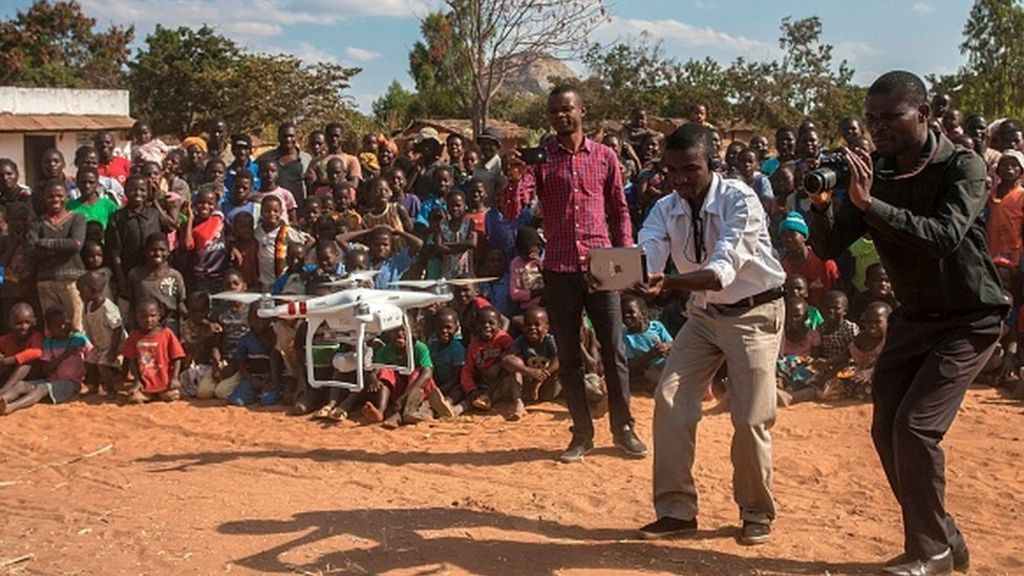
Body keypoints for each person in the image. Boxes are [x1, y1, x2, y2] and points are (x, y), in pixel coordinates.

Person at [808, 70, 1006, 575]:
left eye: (890, 117)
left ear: (923, 113)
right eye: (872, 119)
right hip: (915, 317)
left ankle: (931, 552)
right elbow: (829, 245)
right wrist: (822, 204)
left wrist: (870, 203)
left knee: (915, 428)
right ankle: (944, 538)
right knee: (885, 429)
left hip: (970, 317)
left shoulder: (963, 166)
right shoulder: (876, 170)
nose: (878, 128)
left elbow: (944, 235)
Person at [634, 122, 786, 546]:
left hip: (755, 313)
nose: (680, 179)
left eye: (690, 169)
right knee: (669, 397)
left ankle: (756, 511)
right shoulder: (666, 207)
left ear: (712, 164)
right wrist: (627, 272)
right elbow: (649, 250)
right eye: (672, 171)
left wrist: (666, 283)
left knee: (751, 417)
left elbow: (723, 269)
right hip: (704, 314)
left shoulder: (742, 200)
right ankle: (676, 511)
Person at [504, 85, 646, 462]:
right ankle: (581, 433)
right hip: (560, 268)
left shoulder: (605, 156)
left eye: (566, 110)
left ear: (582, 111)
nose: (560, 117)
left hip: (601, 264)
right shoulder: (540, 160)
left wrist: (626, 253)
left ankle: (624, 428)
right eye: (553, 112)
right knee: (569, 357)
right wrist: (515, 175)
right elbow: (511, 210)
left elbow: (619, 209)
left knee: (613, 351)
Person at [0, 305, 90, 415]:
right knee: (20, 385)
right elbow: (46, 370)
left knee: (42, 388)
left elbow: (92, 357)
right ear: (49, 327)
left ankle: (11, 407)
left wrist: (92, 384)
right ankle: (2, 398)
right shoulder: (48, 343)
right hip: (51, 379)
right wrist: (64, 355)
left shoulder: (79, 340)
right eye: (56, 325)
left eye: (65, 324)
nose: (62, 327)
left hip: (72, 383)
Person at [32, 179, 87, 332]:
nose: (55, 199)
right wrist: (63, 246)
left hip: (72, 281)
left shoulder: (77, 218)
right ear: (44, 199)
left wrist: (46, 243)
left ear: (67, 197)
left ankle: (80, 356)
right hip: (45, 281)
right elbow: (33, 250)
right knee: (52, 329)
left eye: (59, 195)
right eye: (50, 196)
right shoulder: (37, 222)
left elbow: (75, 245)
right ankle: (54, 357)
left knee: (77, 325)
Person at [501, 306, 561, 419]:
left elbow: (560, 358)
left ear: (547, 328)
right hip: (528, 387)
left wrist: (543, 375)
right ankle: (518, 403)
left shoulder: (549, 340)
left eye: (537, 324)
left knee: (559, 362)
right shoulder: (521, 340)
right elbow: (506, 359)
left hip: (548, 387)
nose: (532, 328)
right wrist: (530, 371)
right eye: (528, 325)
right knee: (515, 363)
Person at [123, 298, 185, 403]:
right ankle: (151, 395)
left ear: (159, 316)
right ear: (137, 317)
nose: (148, 320)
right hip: (145, 383)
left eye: (152, 316)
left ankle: (160, 394)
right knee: (134, 398)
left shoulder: (166, 334)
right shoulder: (134, 336)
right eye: (144, 317)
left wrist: (174, 378)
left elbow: (177, 356)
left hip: (164, 382)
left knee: (171, 396)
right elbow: (132, 360)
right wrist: (137, 380)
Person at [78, 271, 125, 397]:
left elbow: (117, 329)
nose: (79, 294)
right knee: (89, 362)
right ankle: (94, 387)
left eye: (82, 291)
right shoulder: (88, 306)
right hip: (100, 345)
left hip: (114, 345)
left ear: (93, 290)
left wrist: (113, 350)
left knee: (102, 365)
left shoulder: (108, 308)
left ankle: (111, 390)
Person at [256, 121, 309, 202]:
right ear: (278, 137)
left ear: (296, 137)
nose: (288, 139)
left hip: (300, 207)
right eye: (284, 136)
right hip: (272, 209)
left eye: (291, 136)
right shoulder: (265, 158)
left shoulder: (306, 159)